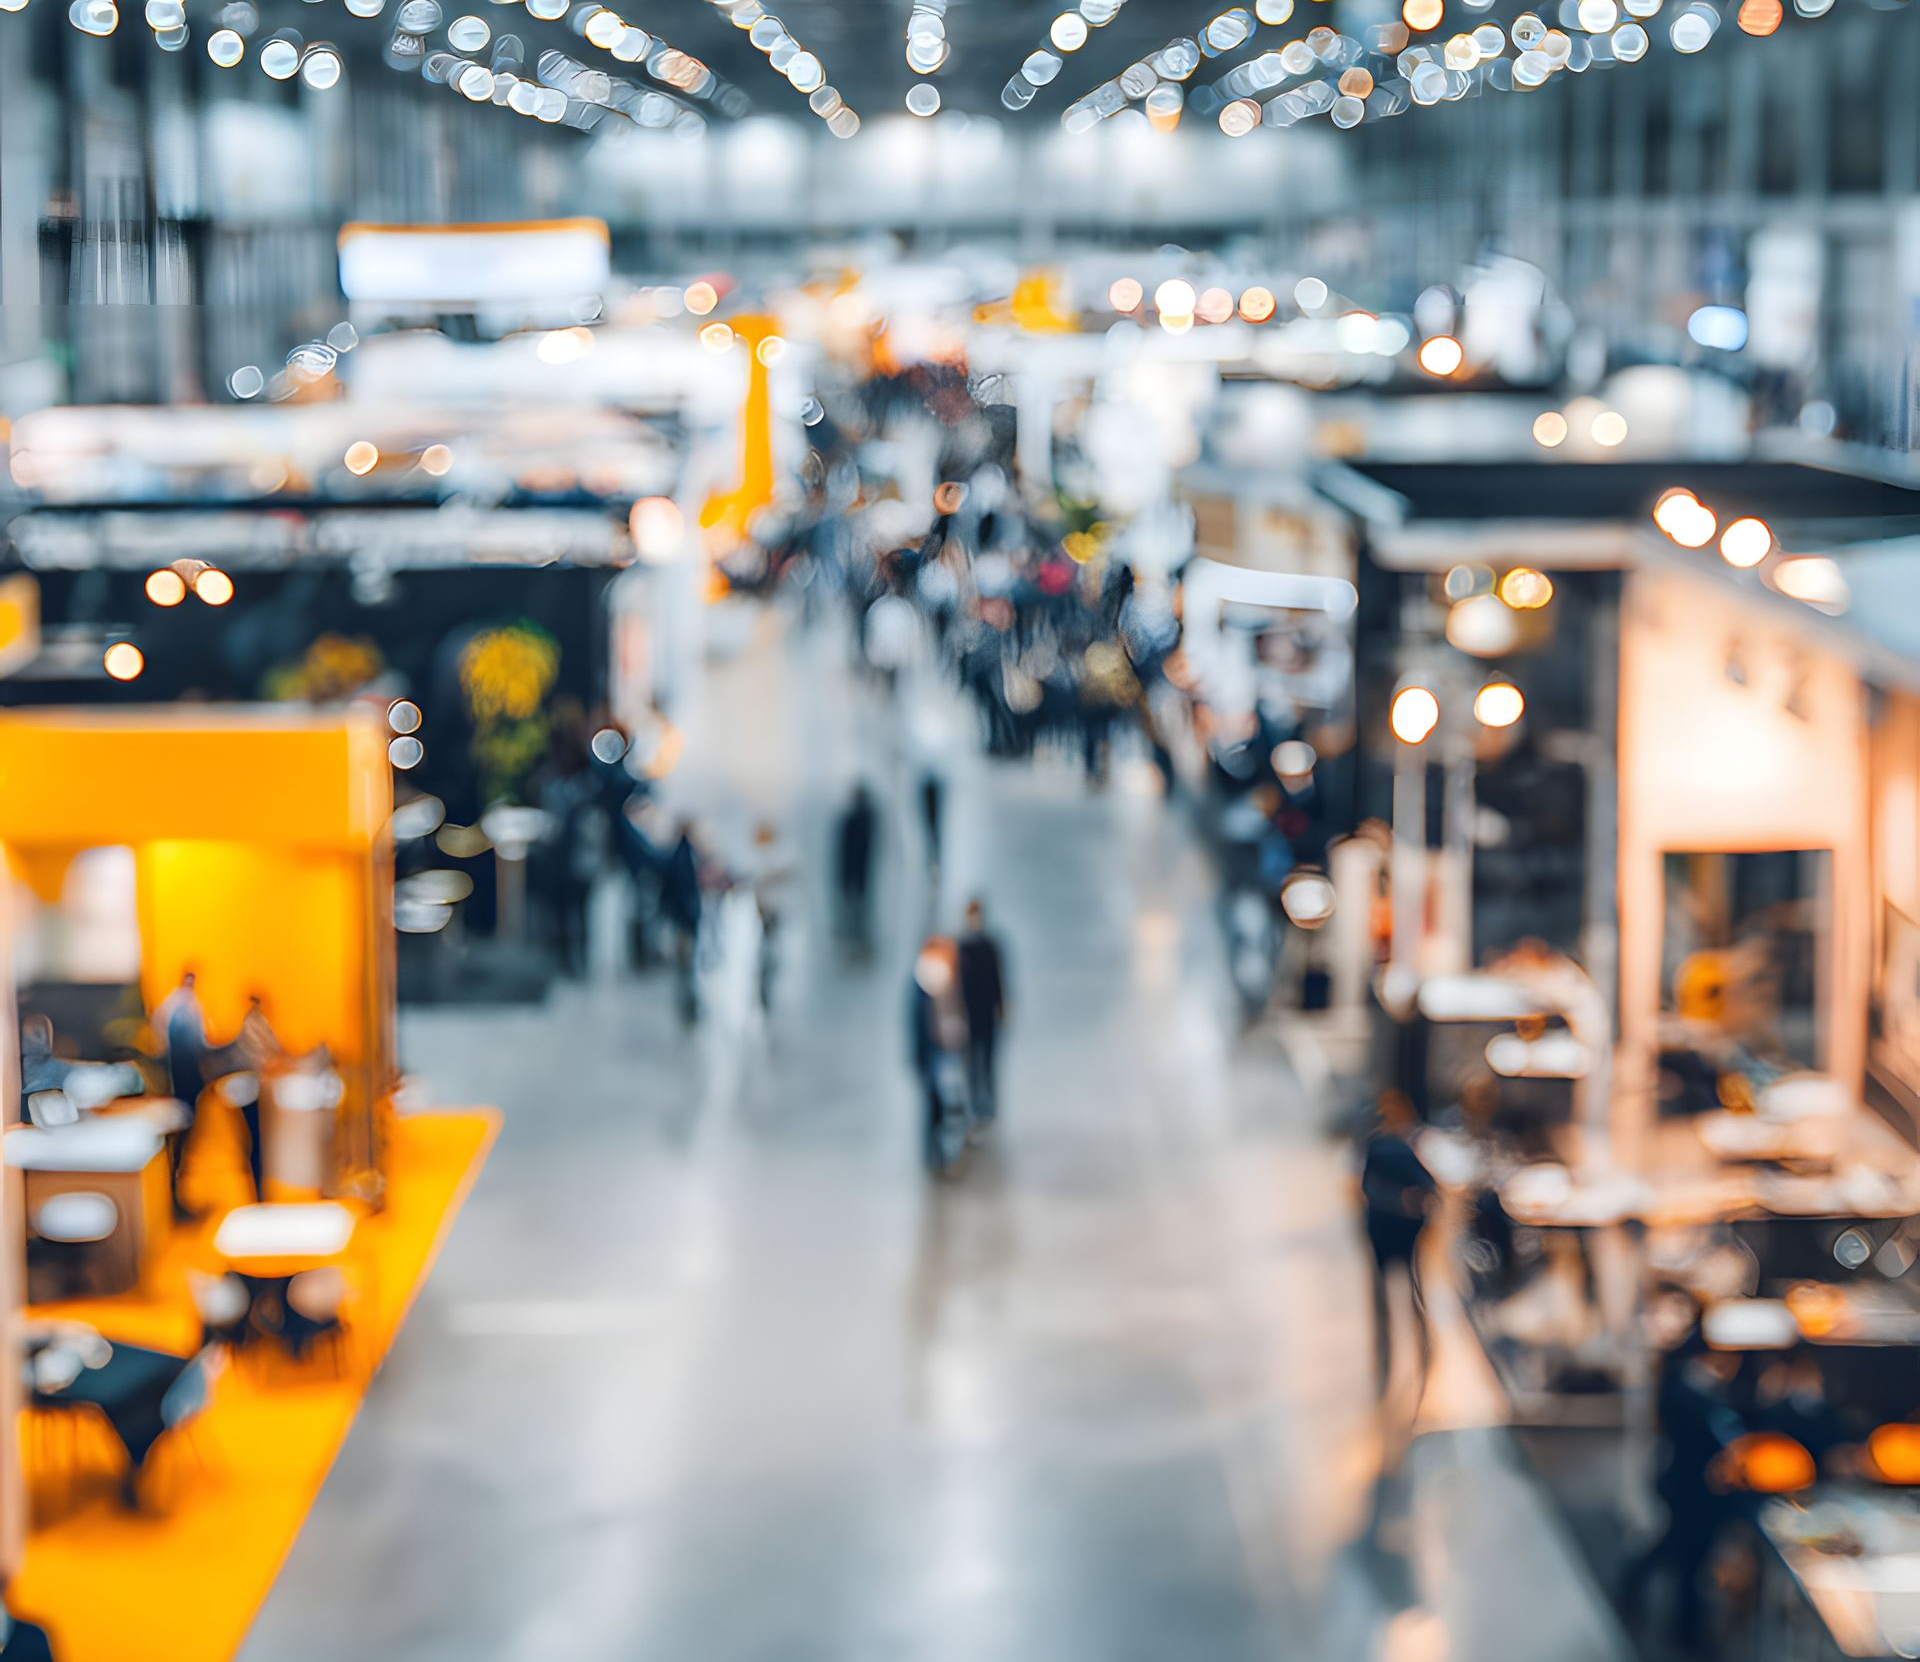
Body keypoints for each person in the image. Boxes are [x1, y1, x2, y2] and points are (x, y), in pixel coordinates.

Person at [1357, 1090, 1437, 1401]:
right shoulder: (1403, 1148)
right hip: (1399, 1230)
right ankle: (1420, 1353)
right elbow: (1430, 1187)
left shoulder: (1380, 1148)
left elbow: (1362, 1189)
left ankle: (1392, 1358)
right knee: (1410, 1294)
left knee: (1388, 1299)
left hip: (1383, 1230)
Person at [908, 937, 967, 1173]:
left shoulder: (948, 980)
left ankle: (943, 1154)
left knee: (946, 1108)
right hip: (932, 1057)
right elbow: (915, 1026)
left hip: (947, 1053)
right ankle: (933, 1155)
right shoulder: (919, 988)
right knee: (932, 1109)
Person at [151, 970, 207, 1218]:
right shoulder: (179, 1007)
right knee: (178, 1145)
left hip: (186, 1081)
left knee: (183, 1147)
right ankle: (173, 1198)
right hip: (181, 1082)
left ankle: (177, 1195)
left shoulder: (186, 1006)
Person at [956, 898, 1008, 1128]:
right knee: (971, 1064)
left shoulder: (990, 945)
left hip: (986, 1015)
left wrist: (1002, 1006)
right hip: (969, 1015)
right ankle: (974, 1104)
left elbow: (998, 979)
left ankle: (988, 1104)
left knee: (987, 1061)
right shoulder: (961, 948)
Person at [660, 822, 704, 1025]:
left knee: (686, 963)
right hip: (685, 917)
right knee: (686, 962)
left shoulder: (682, 853)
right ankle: (688, 1004)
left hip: (684, 917)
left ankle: (689, 1003)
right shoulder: (683, 855)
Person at [835, 783, 878, 955]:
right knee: (855, 911)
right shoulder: (861, 819)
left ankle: (858, 946)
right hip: (858, 874)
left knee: (857, 911)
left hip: (859, 874)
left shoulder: (859, 819)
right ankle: (855, 946)